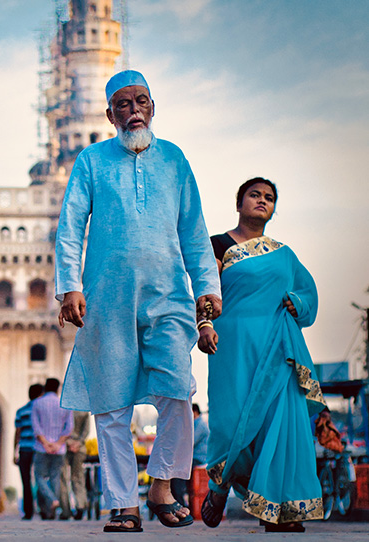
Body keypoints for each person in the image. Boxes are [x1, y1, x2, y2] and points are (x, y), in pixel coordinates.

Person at [55, 70, 221, 533]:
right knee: (110, 406)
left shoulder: (173, 160)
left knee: (178, 389)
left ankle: (162, 482)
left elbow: (193, 230)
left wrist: (206, 287)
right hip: (106, 297)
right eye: (123, 105)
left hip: (168, 293)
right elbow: (70, 227)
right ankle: (123, 502)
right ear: (110, 114)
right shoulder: (91, 161)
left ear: (153, 107)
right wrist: (70, 284)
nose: (133, 111)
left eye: (141, 101)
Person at [198, 178, 325, 533]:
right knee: (230, 421)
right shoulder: (218, 245)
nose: (262, 201)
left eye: (269, 198)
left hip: (277, 348)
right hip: (232, 346)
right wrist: (203, 325)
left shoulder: (284, 254)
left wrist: (296, 303)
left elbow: (308, 294)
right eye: (254, 195)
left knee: (280, 422)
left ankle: (282, 509)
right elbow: (204, 291)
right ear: (239, 203)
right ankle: (219, 485)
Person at [30, 378, 73, 520]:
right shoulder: (65, 404)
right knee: (55, 477)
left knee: (40, 477)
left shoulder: (37, 403)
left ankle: (52, 500)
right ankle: (53, 507)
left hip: (41, 448)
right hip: (59, 449)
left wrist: (46, 443)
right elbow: (69, 429)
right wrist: (57, 444)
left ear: (45, 388)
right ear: (58, 389)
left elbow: (36, 427)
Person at [14, 383, 43, 520]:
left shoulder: (21, 411)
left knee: (26, 481)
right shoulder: (42, 410)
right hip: (39, 449)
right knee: (41, 479)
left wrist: (14, 451)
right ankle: (45, 509)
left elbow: (17, 433)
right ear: (40, 394)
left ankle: (28, 511)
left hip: (24, 449)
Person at [171, 403, 209, 505]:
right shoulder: (195, 424)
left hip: (199, 458)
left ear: (194, 412)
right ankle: (178, 501)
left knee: (177, 472)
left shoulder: (200, 425)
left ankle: (179, 503)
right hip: (193, 458)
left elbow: (189, 442)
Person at [59, 411, 90, 520]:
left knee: (62, 478)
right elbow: (86, 430)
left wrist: (68, 443)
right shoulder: (84, 410)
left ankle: (65, 509)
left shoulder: (63, 408)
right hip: (79, 447)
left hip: (63, 446)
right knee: (78, 477)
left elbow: (59, 429)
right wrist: (78, 443)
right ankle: (80, 504)